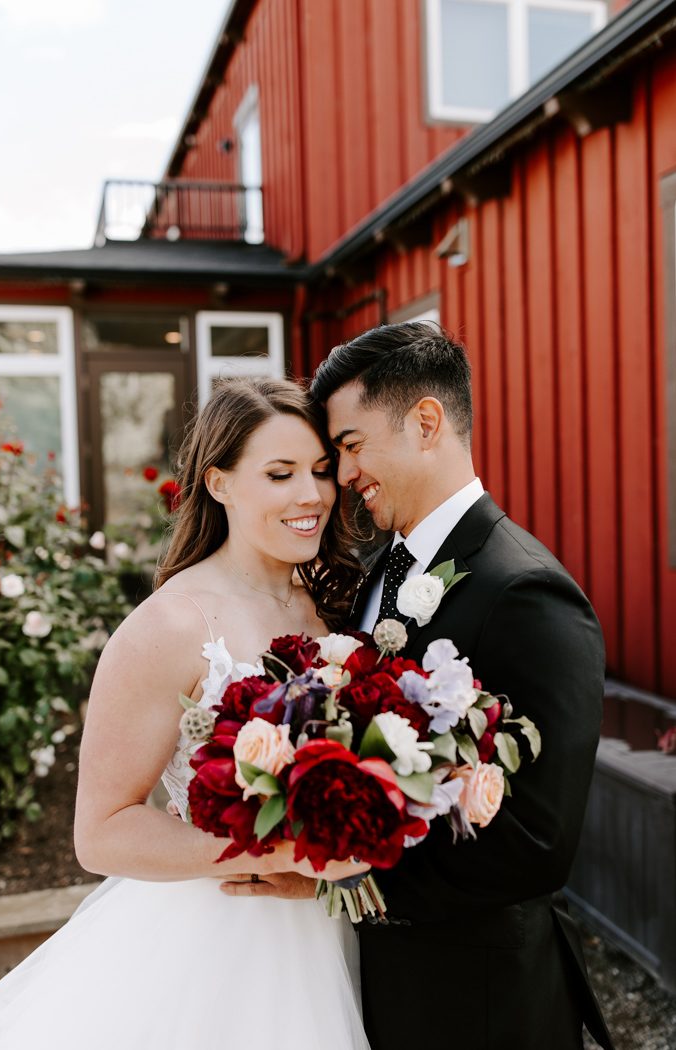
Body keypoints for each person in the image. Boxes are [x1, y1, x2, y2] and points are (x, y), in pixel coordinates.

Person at [227, 323, 614, 1050]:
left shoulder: (525, 589)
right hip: (375, 984)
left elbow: (535, 843)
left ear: (426, 423)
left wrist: (338, 880)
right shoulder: (382, 570)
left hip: (473, 1004)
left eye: (348, 446)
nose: (341, 476)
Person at [0, 378, 372, 1050]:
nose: (312, 495)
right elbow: (99, 832)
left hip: (335, 925)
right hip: (218, 941)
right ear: (218, 483)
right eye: (280, 474)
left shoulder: (338, 602)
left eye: (320, 470)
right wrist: (277, 850)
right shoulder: (168, 625)